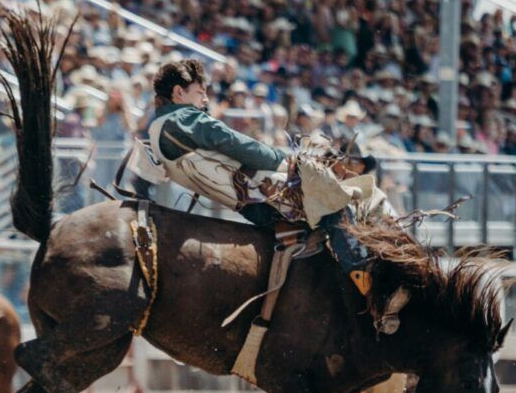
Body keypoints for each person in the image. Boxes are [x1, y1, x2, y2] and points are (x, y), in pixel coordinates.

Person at [136, 59, 374, 294]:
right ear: (179, 92)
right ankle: (364, 277)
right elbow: (232, 142)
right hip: (264, 194)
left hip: (249, 206)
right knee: (336, 206)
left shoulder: (157, 128)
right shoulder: (183, 118)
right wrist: (285, 161)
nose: (206, 100)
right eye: (200, 93)